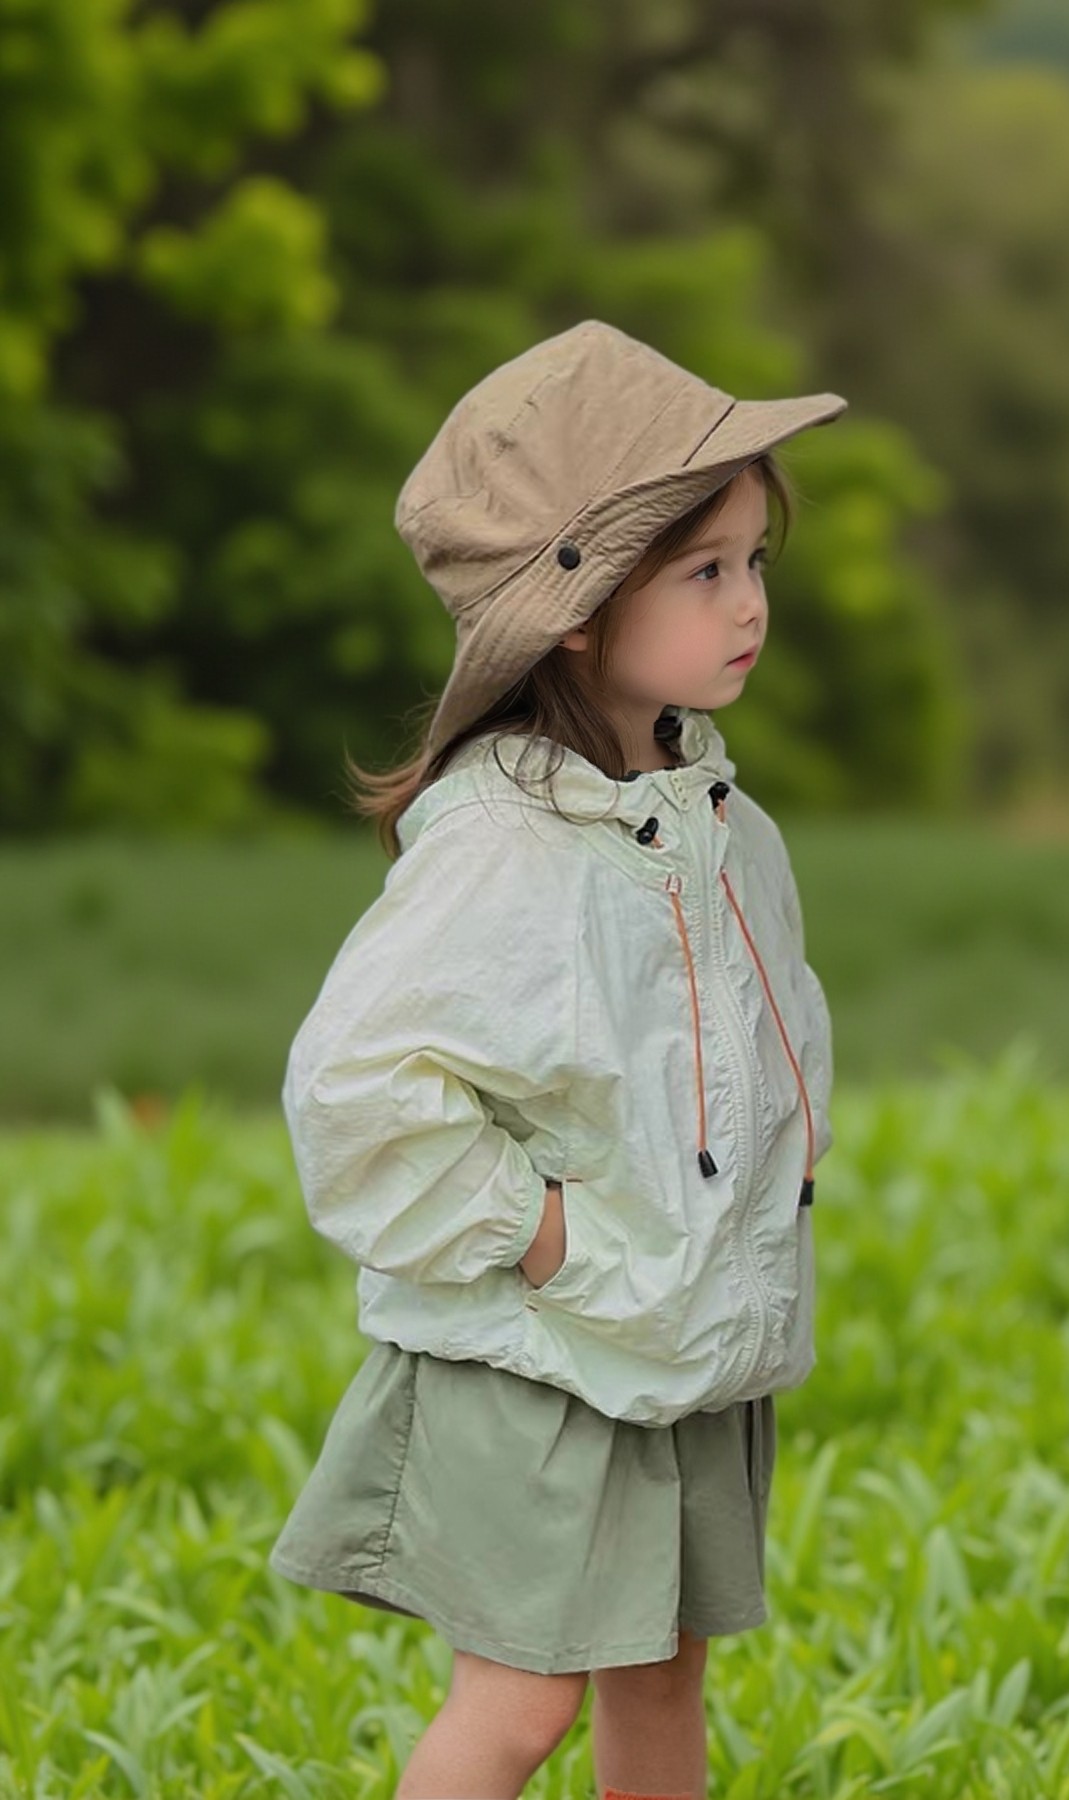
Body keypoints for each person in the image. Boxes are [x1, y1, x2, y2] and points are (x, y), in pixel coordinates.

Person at [266, 319, 847, 1800]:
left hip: (679, 1332)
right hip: (548, 1353)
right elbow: (355, 1090)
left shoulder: (714, 812)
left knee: (663, 1671)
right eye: (704, 569)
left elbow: (775, 1006)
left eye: (754, 561)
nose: (749, 603)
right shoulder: (502, 850)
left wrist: (778, 1172)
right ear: (576, 612)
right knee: (520, 1703)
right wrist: (542, 1235)